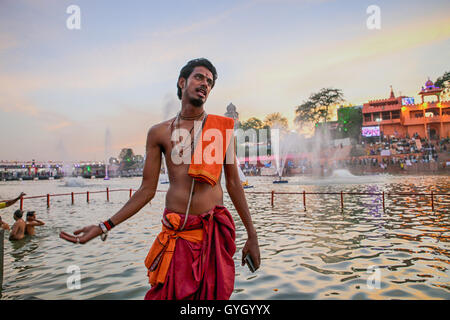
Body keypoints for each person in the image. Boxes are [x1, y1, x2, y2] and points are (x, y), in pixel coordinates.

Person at [60, 58, 261, 300]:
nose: (205, 84)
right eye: (199, 77)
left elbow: (233, 185)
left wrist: (252, 235)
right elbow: (146, 191)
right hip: (177, 238)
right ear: (182, 81)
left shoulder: (221, 129)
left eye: (210, 82)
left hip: (211, 236)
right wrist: (105, 226)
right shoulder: (158, 132)